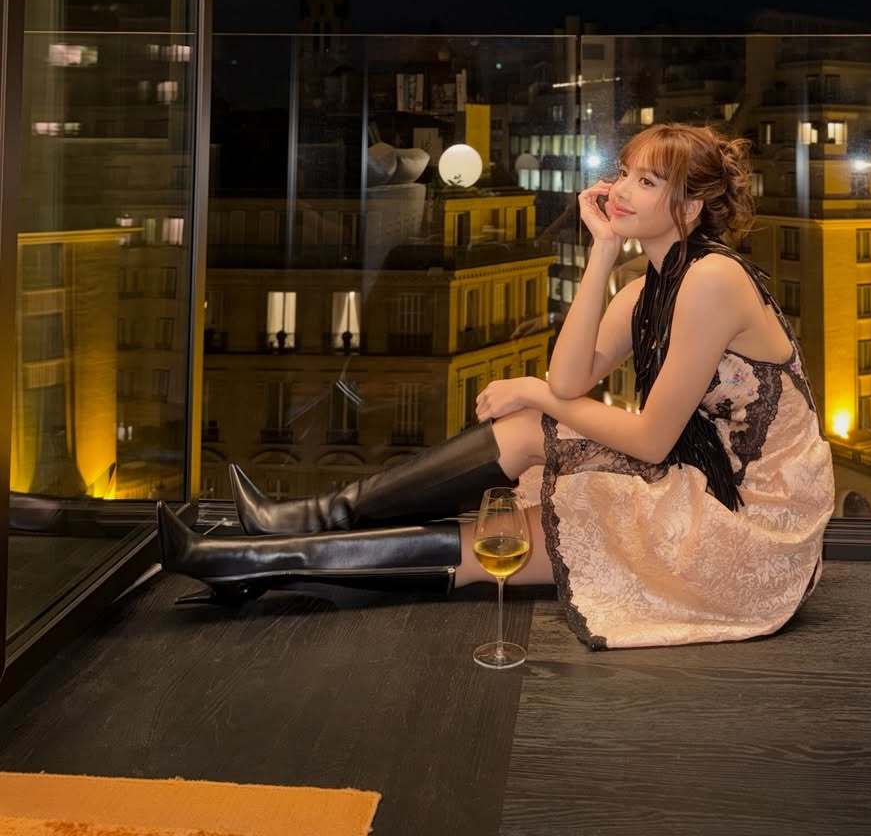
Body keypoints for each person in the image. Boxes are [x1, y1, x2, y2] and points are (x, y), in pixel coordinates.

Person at [158, 122, 835, 648]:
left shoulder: (713, 280)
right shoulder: (649, 287)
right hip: (696, 477)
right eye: (624, 173)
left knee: (501, 532)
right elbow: (571, 376)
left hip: (748, 519)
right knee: (515, 465)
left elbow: (649, 437)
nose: (622, 190)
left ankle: (259, 557)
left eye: (648, 182)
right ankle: (278, 541)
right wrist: (602, 251)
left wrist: (536, 392)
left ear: (692, 203)